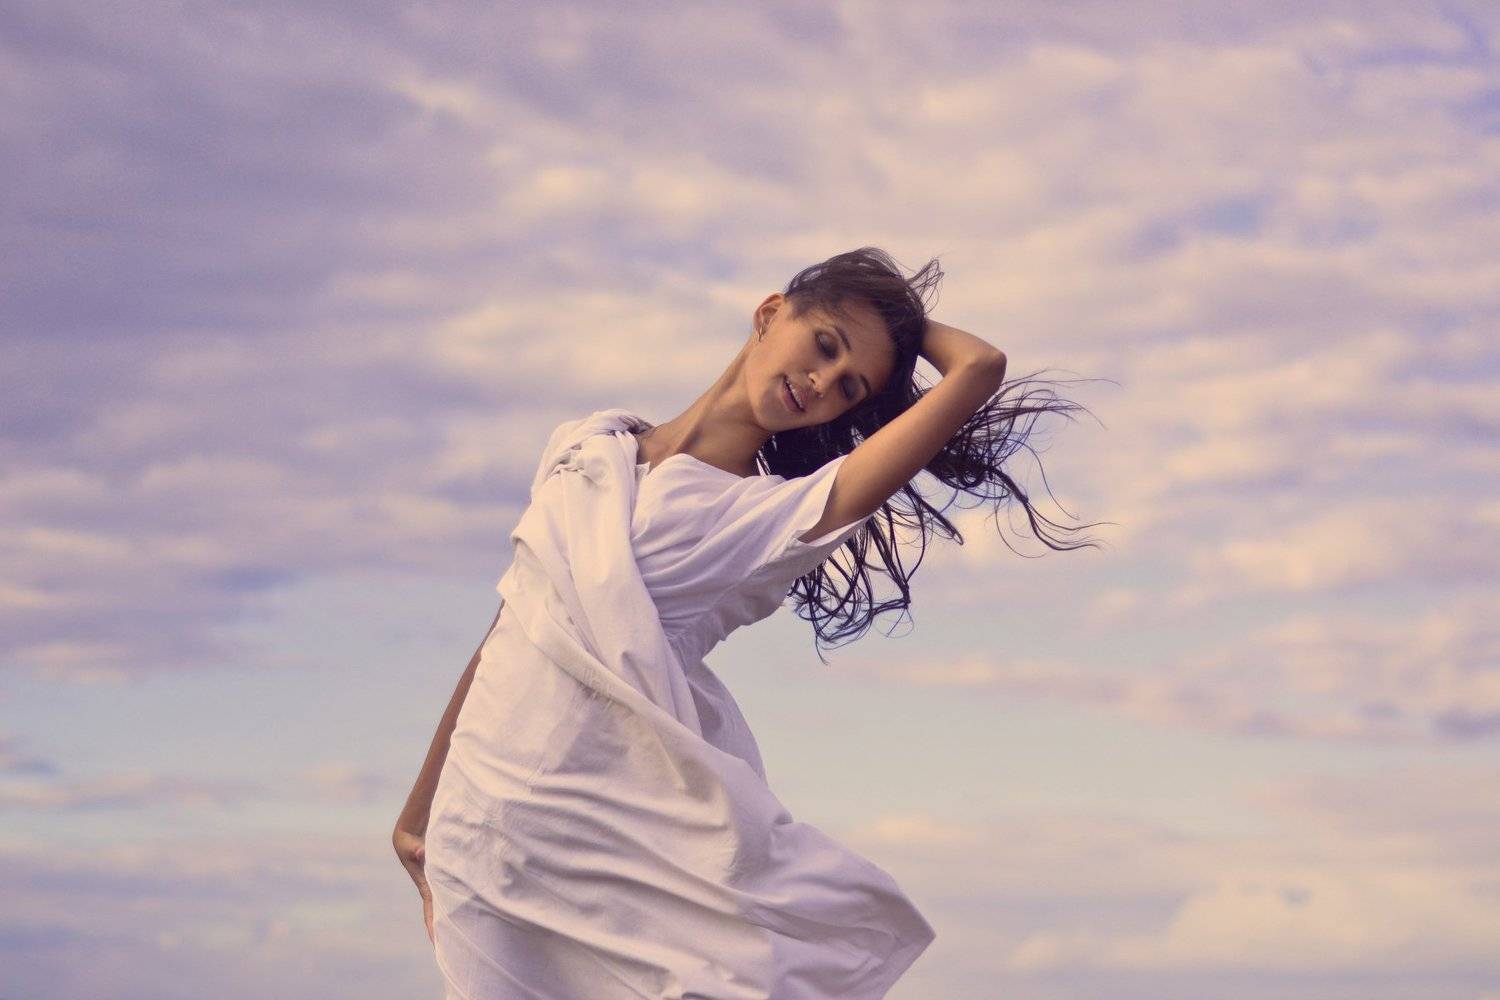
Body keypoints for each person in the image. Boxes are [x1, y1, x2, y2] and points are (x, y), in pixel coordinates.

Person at [393, 247, 1102, 998]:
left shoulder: (768, 518)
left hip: (601, 851)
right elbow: (512, 629)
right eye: (824, 345)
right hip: (485, 825)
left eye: (848, 386)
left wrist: (894, 319)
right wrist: (418, 813)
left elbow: (979, 368)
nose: (823, 382)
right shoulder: (589, 445)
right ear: (770, 314)